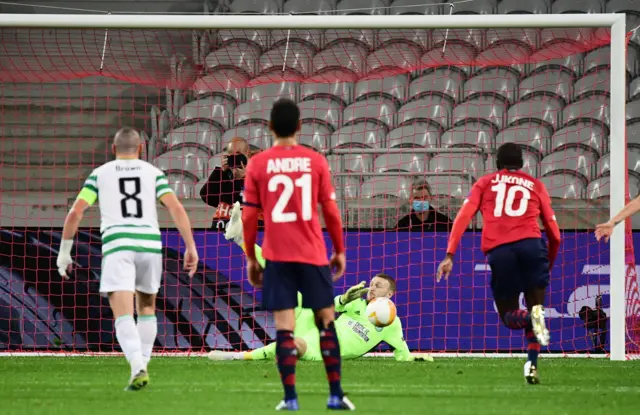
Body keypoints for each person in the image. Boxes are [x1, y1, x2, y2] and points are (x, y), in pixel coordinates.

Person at [56, 127, 199, 391]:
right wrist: (190, 246)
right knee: (147, 309)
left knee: (123, 313)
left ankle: (137, 366)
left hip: (118, 245)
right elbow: (176, 207)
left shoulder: (100, 174)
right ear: (141, 149)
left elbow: (76, 212)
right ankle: (143, 364)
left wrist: (64, 253)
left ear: (113, 149)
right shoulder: (153, 173)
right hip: (149, 246)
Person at [241, 99, 354, 411]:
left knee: (284, 328)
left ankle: (290, 398)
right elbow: (330, 210)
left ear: (269, 127)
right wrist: (340, 250)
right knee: (326, 323)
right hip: (312, 253)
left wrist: (251, 256)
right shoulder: (315, 160)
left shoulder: (258, 164)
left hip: (278, 256)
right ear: (300, 126)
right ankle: (335, 394)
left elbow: (249, 217)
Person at [436, 142, 561, 385]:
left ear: (497, 164)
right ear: (522, 164)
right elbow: (555, 235)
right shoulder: (536, 185)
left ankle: (530, 331)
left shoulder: (485, 183)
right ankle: (532, 364)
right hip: (533, 248)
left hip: (501, 251)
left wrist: (450, 254)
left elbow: (463, 217)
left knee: (509, 316)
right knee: (536, 309)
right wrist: (548, 264)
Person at [208, 274, 433, 363]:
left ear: (390, 294)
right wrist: (345, 298)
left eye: (379, 286)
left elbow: (403, 355)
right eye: (372, 284)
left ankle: (241, 357)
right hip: (319, 327)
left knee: (294, 345)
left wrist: (422, 359)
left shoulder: (391, 322)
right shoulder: (357, 303)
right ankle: (244, 243)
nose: (372, 288)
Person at [199, 137, 250, 230]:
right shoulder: (224, 176)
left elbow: (238, 199)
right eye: (231, 153)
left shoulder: (256, 175)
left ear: (247, 153)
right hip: (220, 231)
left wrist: (243, 178)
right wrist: (221, 172)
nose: (234, 156)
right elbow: (206, 196)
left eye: (238, 153)